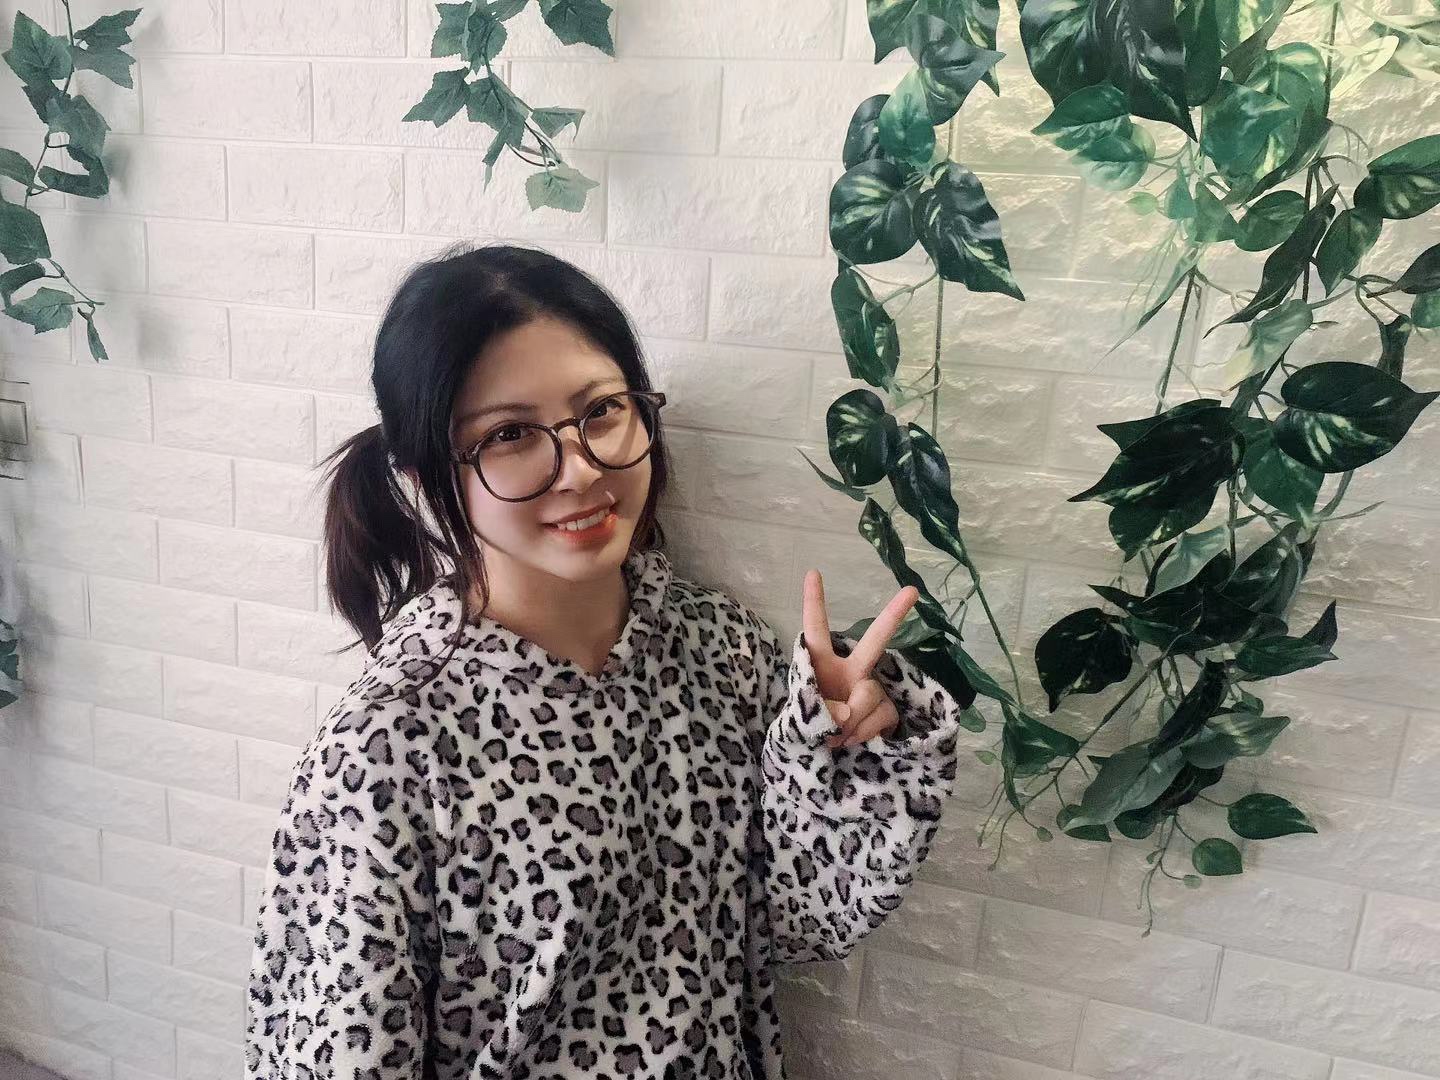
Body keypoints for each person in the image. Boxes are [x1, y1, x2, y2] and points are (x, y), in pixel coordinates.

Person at [242, 242, 966, 1080]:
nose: (582, 469)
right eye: (509, 434)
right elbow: (334, 1055)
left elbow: (791, 926)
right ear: (420, 475)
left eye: (601, 411)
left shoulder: (719, 648)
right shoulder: (385, 752)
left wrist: (842, 756)